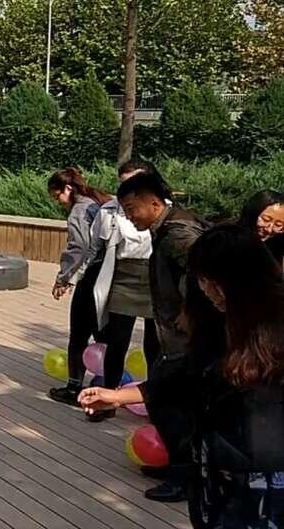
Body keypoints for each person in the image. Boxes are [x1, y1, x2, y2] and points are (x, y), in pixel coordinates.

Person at [78, 225, 284, 527]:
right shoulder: (216, 325)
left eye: (213, 280)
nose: (207, 289)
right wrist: (118, 397)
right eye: (202, 280)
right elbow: (183, 377)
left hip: (268, 471)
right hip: (218, 466)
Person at [118, 170, 209, 502]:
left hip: (186, 341)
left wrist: (191, 309)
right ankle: (178, 466)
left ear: (154, 203)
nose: (129, 218)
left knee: (166, 403)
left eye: (132, 209)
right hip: (176, 338)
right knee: (172, 402)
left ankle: (183, 476)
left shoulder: (177, 234)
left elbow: (205, 269)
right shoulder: (168, 227)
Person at [71, 159, 161, 422]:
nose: (128, 187)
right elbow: (94, 249)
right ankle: (107, 400)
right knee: (116, 341)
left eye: (134, 180)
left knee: (155, 344)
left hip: (156, 277)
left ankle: (157, 403)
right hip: (122, 275)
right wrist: (77, 276)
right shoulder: (109, 211)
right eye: (123, 182)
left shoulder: (164, 209)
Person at [46, 167, 113, 407]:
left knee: (79, 334)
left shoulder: (79, 210)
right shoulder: (101, 201)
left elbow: (79, 247)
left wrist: (63, 278)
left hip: (90, 277)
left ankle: (74, 387)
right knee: (103, 334)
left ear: (68, 188)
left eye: (58, 196)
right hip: (109, 275)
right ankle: (107, 385)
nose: (59, 202)